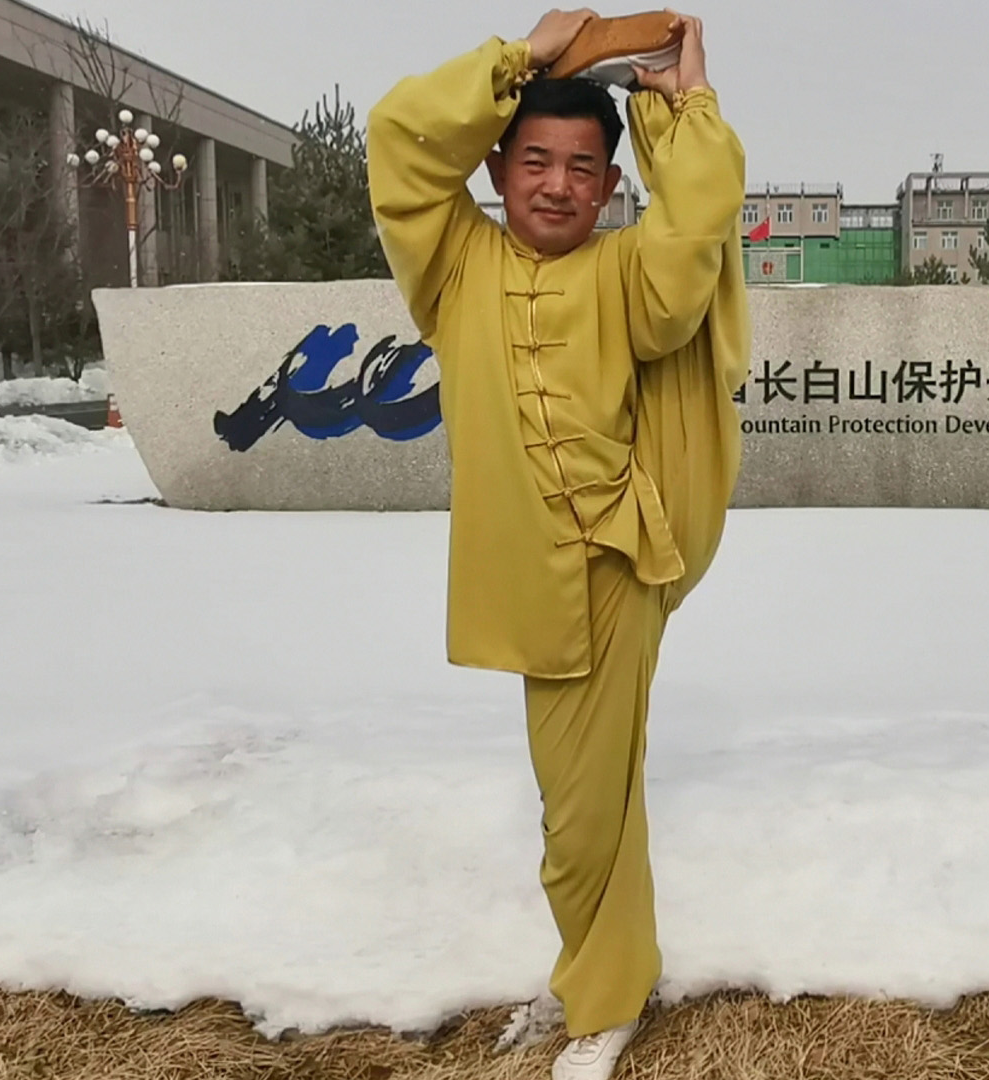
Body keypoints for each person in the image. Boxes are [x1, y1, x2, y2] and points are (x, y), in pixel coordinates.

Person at [366, 9, 748, 1080]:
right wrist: (521, 61)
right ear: (495, 169)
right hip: (527, 577)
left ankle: (606, 1000)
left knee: (588, 807)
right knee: (577, 799)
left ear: (609, 183)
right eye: (534, 160)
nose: (556, 185)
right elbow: (398, 137)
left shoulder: (628, 277)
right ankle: (593, 973)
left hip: (617, 563)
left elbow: (698, 224)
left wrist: (682, 105)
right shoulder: (454, 265)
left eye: (582, 167)